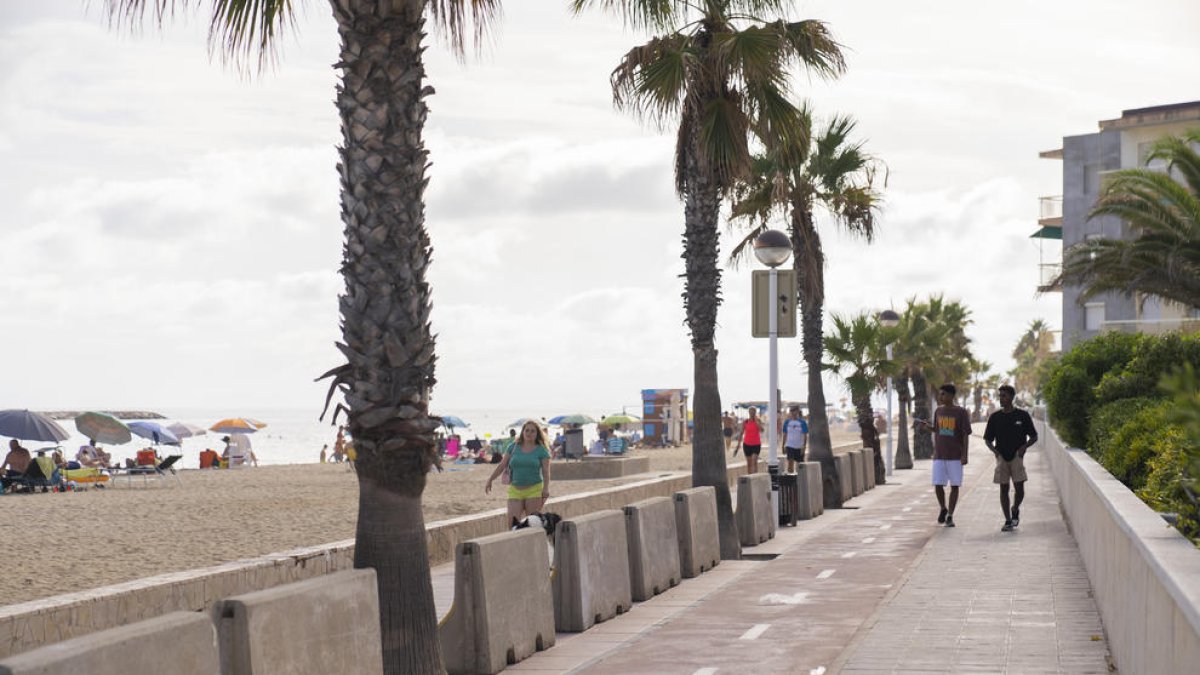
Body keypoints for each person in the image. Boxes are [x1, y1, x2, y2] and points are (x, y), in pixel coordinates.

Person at [915, 384, 972, 527]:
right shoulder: (938, 411)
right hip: (939, 455)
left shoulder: (961, 412)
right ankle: (943, 508)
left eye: (943, 394)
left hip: (955, 456)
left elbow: (965, 434)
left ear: (952, 396)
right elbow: (937, 429)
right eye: (940, 394)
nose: (940, 397)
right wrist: (926, 427)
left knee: (955, 486)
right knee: (938, 484)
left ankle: (950, 515)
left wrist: (964, 455)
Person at [984, 384, 1038, 532]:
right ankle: (1008, 520)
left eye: (1004, 396)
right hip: (1002, 457)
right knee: (1004, 489)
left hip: (1016, 457)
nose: (1001, 399)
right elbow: (988, 440)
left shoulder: (1022, 416)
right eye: (1000, 396)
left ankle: (1015, 508)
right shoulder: (995, 417)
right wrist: (996, 452)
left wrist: (1023, 447)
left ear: (1012, 397)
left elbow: (1034, 437)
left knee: (1019, 489)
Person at [485, 419, 552, 523]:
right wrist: (490, 479)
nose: (529, 433)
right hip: (515, 490)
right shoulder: (513, 447)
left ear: (537, 434)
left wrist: (546, 489)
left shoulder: (541, 450)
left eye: (533, 431)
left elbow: (546, 472)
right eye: (527, 430)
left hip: (534, 490)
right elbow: (502, 465)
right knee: (513, 524)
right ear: (523, 432)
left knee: (531, 525)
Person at [736, 407, 763, 474]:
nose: (752, 413)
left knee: (754, 461)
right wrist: (738, 444)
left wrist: (756, 421)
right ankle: (750, 479)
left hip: (756, 444)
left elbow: (762, 430)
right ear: (749, 413)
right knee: (749, 464)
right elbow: (741, 433)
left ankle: (755, 477)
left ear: (755, 412)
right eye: (750, 412)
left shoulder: (758, 420)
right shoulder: (745, 422)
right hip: (747, 444)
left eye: (753, 412)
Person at [782, 405, 809, 473]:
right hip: (790, 446)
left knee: (800, 465)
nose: (792, 412)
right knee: (790, 463)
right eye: (791, 411)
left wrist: (804, 446)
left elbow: (805, 435)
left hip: (799, 446)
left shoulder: (802, 422)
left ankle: (799, 480)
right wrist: (783, 445)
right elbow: (785, 434)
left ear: (797, 411)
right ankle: (790, 480)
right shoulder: (787, 422)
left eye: (794, 410)